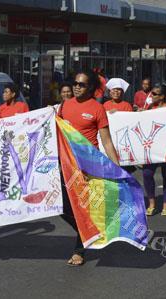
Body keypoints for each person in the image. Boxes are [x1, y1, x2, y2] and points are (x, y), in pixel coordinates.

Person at [57, 70, 119, 266]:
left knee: (80, 208)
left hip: (87, 167)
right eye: (75, 83)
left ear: (90, 87)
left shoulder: (97, 109)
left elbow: (107, 142)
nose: (76, 87)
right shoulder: (64, 105)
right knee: (60, 206)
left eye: (81, 84)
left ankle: (79, 251)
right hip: (65, 164)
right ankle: (88, 230)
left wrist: (116, 169)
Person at [143, 84, 166, 217]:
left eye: (155, 94)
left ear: (162, 96)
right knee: (147, 174)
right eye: (151, 93)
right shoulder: (150, 108)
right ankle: (152, 203)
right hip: (152, 148)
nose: (152, 96)